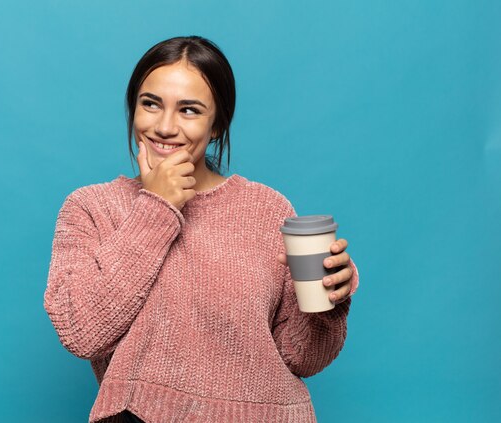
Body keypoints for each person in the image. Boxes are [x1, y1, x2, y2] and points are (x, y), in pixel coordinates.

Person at [44, 35, 360, 423]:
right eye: (150, 104)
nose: (164, 126)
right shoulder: (91, 208)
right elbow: (82, 332)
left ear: (216, 125)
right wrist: (157, 207)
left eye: (189, 110)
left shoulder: (267, 209)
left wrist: (328, 301)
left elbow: (302, 357)